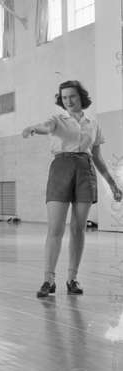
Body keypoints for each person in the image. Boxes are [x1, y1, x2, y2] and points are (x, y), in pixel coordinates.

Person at [22, 80, 122, 297]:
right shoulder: (57, 119)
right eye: (64, 97)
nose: (68, 100)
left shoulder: (93, 123)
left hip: (85, 171)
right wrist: (33, 128)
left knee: (78, 229)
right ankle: (48, 279)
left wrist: (112, 184)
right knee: (55, 228)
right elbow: (45, 127)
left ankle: (72, 278)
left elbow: (97, 157)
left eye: (72, 96)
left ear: (81, 97)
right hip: (61, 168)